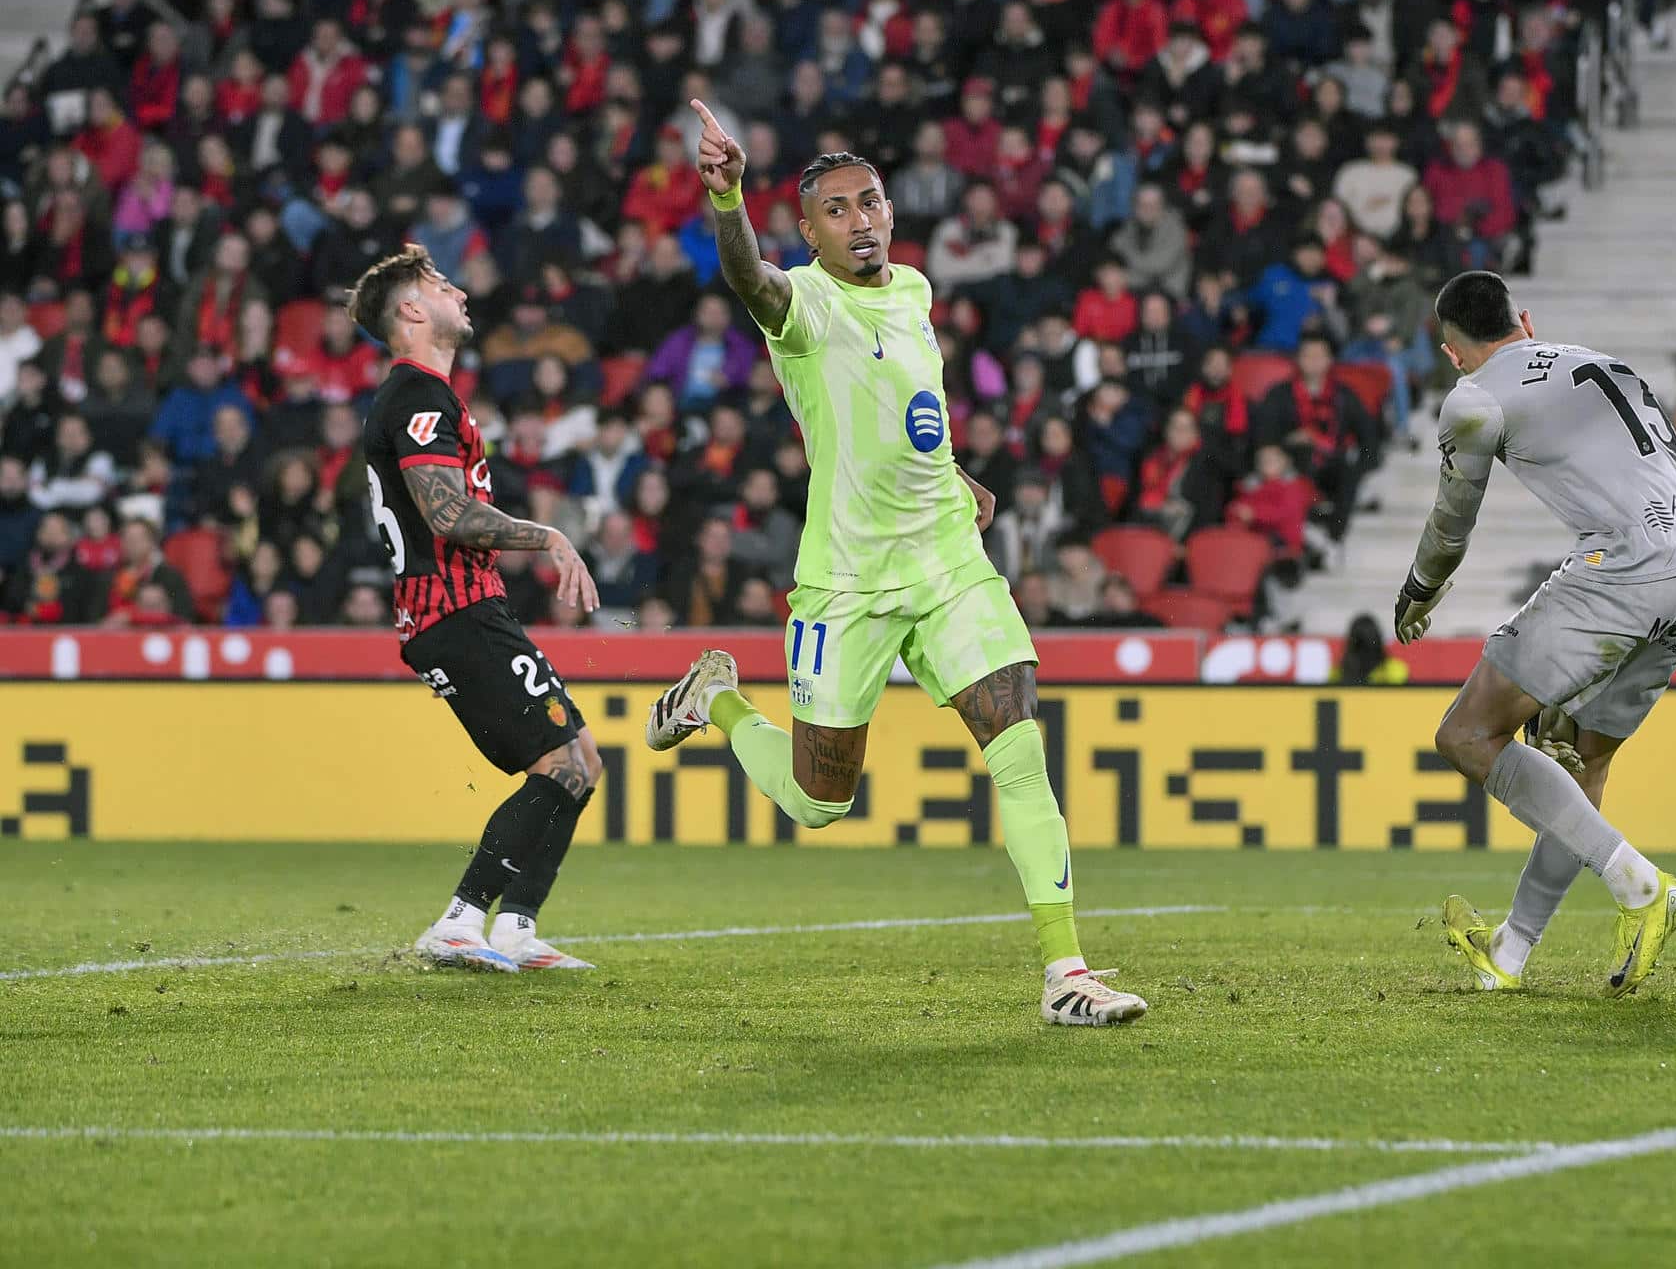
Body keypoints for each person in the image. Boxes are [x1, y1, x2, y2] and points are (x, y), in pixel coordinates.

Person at [646, 100, 1147, 1027]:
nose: (861, 219)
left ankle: (1066, 975)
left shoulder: (913, 291)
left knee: (1022, 756)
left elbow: (907, 404)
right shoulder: (804, 303)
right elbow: (752, 281)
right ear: (810, 230)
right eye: (837, 210)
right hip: (847, 583)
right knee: (817, 801)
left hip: (950, 563)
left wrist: (956, 474)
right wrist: (727, 202)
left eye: (870, 201)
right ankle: (713, 697)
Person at [1398, 271, 1676, 997]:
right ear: (1526, 320)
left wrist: (1421, 590)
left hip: (1622, 568)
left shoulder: (1474, 397)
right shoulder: (1605, 362)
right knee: (1580, 763)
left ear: (1453, 353)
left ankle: (1641, 887)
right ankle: (1510, 953)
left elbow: (1453, 525)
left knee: (1467, 736)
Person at [347, 245, 603, 974]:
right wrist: (548, 535)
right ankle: (459, 921)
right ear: (411, 311)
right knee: (559, 763)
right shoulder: (416, 396)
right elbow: (448, 512)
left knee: (582, 760)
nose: (456, 288)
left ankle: (517, 927)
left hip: (465, 611)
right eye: (436, 282)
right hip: (453, 614)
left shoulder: (428, 397)